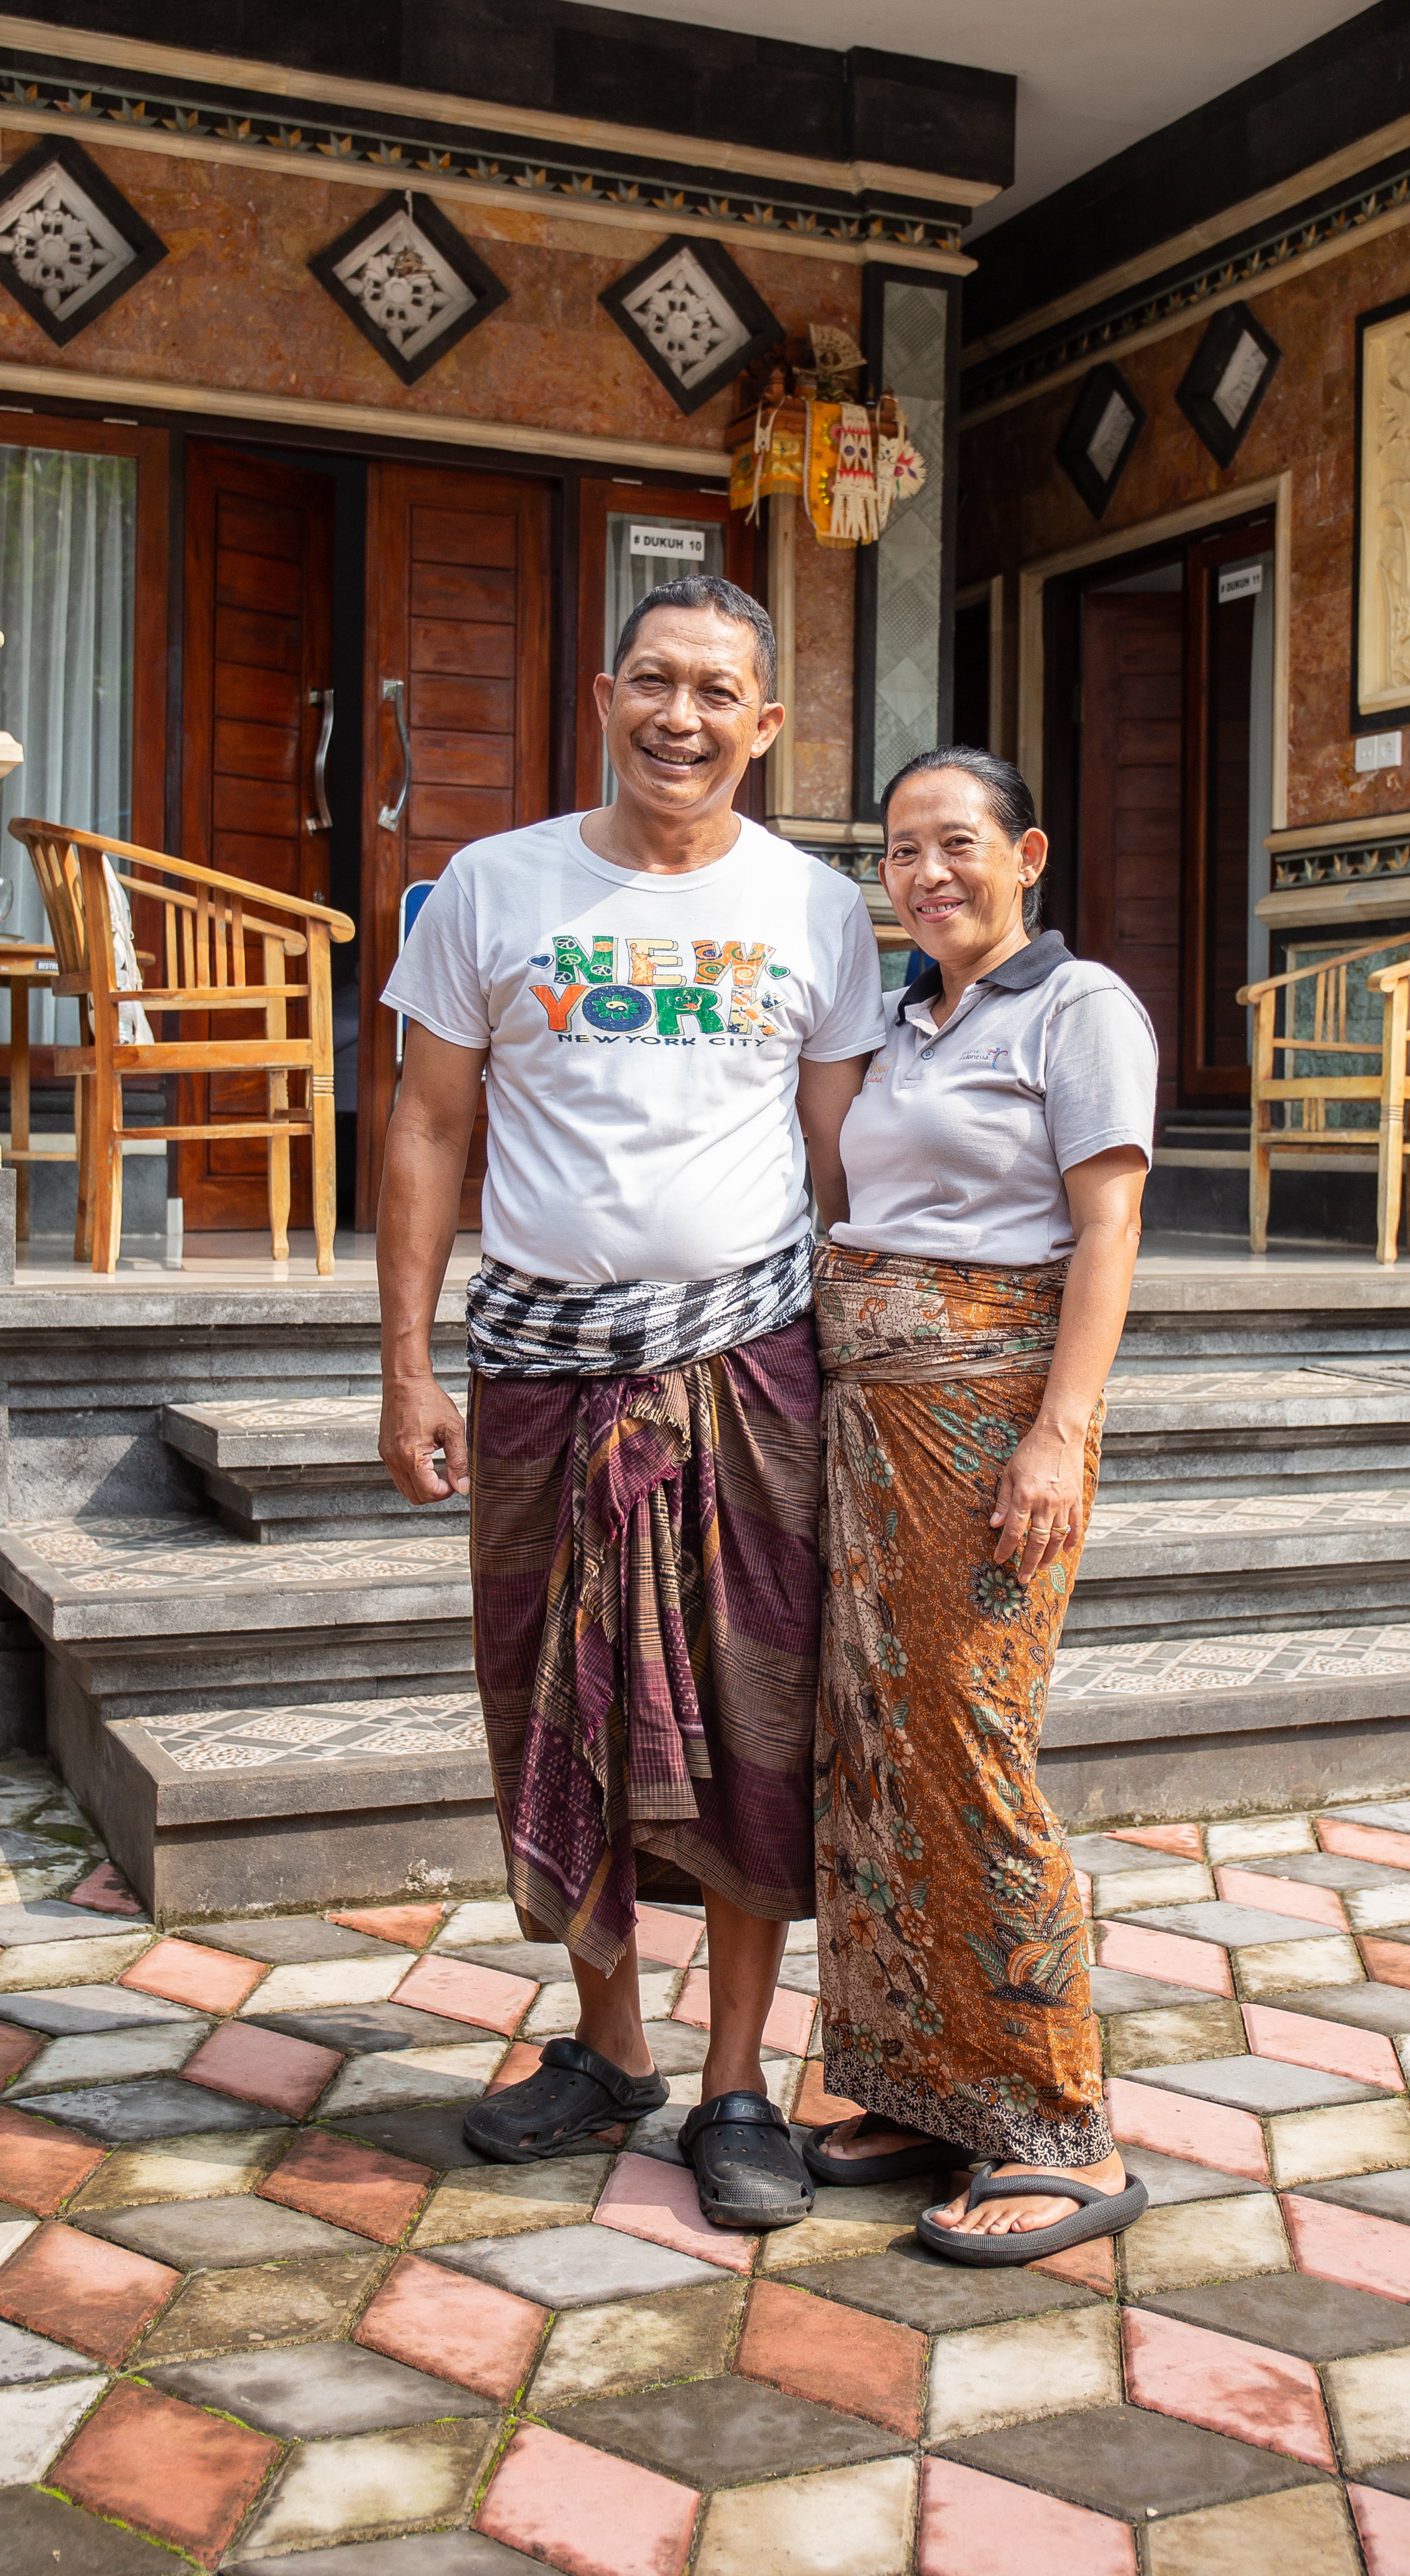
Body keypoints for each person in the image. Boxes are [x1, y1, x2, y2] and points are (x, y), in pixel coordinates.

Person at [375, 574, 882, 2232]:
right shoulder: (493, 891)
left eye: (717, 692)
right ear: (602, 695)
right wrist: (404, 1363)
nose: (683, 717)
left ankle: (740, 2078)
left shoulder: (818, 911)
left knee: (753, 1720)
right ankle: (608, 2049)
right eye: (654, 683)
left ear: (766, 723)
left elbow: (841, 1163)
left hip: (753, 1372)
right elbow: (431, 1132)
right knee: (554, 1707)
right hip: (536, 1368)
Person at [803, 746, 1155, 2263]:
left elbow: (1110, 1225)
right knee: (878, 1751)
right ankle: (923, 2081)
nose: (928, 875)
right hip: (865, 1430)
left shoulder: (1082, 1009)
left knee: (975, 1749)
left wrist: (1059, 1435)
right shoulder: (898, 1023)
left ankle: (1057, 2122)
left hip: (991, 1425)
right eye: (900, 853)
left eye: (957, 845)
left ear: (1029, 851)